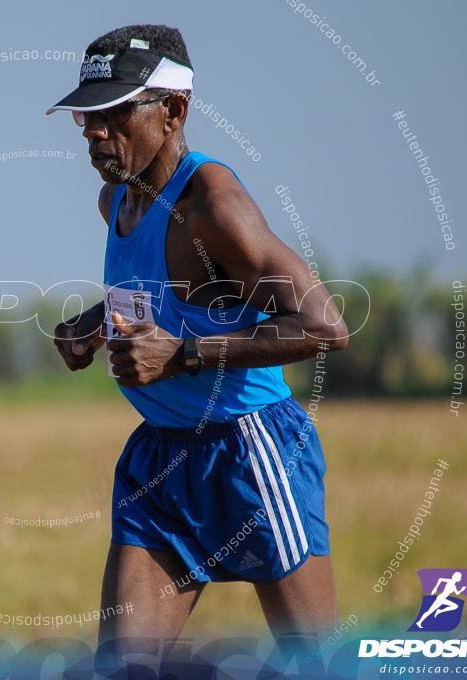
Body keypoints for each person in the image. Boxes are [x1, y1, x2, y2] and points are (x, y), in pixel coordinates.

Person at [47, 24, 349, 675]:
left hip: (252, 452)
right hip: (160, 461)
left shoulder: (215, 206)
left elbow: (326, 327)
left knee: (316, 667)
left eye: (113, 112)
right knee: (124, 669)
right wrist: (94, 323)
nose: (92, 130)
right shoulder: (116, 201)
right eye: (85, 113)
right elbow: (159, 293)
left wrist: (182, 356)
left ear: (173, 112)